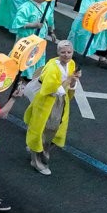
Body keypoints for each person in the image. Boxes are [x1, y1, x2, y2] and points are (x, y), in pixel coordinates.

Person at [24, 41, 80, 175]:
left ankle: (42, 149)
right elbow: (50, 88)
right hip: (46, 103)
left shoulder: (71, 64)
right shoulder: (51, 67)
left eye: (69, 52)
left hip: (61, 102)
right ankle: (35, 160)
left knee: (56, 130)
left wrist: (73, 80)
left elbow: (69, 86)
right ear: (58, 53)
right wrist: (69, 80)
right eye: (63, 52)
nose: (66, 55)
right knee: (40, 130)